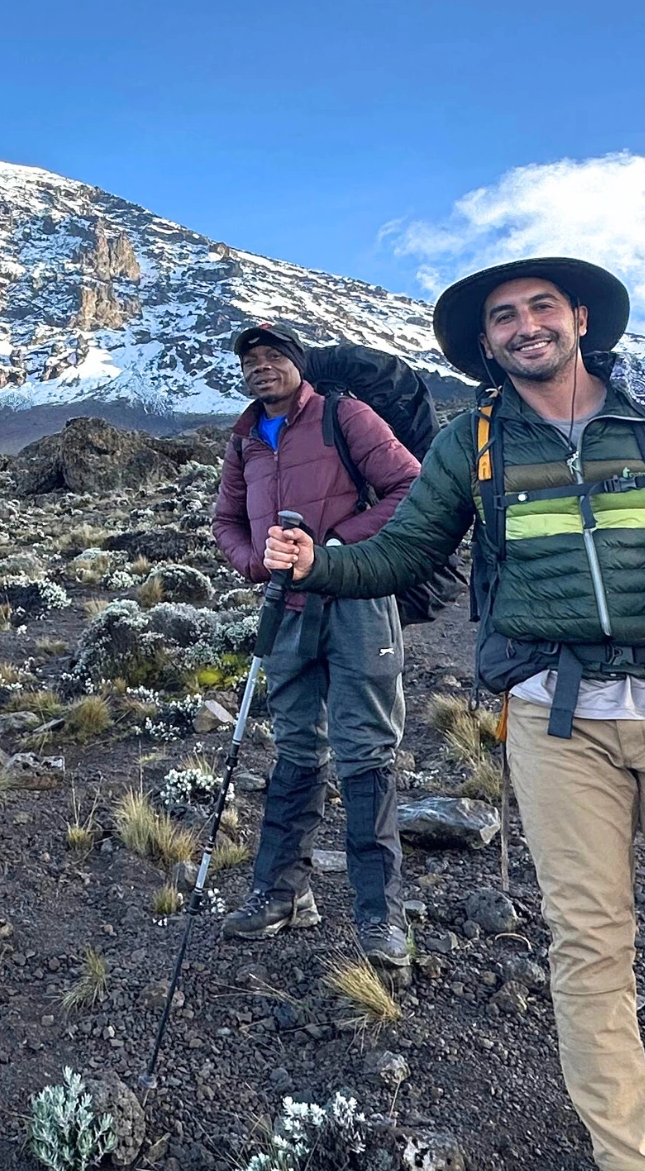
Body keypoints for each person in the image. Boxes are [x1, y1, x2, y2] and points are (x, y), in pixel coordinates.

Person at [261, 258, 645, 1171]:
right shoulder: (471, 438)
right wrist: (318, 563)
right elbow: (403, 551)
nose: (525, 327)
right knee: (589, 949)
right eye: (504, 317)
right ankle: (623, 1157)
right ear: (485, 343)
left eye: (541, 308)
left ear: (580, 318)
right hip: (555, 719)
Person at [210, 322, 424, 966]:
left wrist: (332, 547)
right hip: (287, 609)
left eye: (276, 356)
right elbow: (225, 520)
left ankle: (380, 918)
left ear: (300, 365)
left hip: (356, 600)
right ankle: (280, 895)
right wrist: (256, 562)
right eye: (251, 360)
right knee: (296, 747)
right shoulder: (246, 438)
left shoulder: (342, 415)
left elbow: (411, 486)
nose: (262, 367)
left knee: (365, 752)